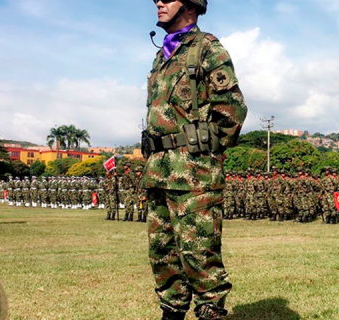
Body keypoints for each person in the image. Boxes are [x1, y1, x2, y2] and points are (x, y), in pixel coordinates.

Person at [142, 0, 247, 318]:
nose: (158, 2)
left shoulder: (206, 48)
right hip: (159, 171)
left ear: (190, 4)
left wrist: (204, 156)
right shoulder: (162, 55)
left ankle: (210, 311)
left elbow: (232, 110)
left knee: (199, 255)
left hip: (194, 173)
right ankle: (171, 311)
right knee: (163, 255)